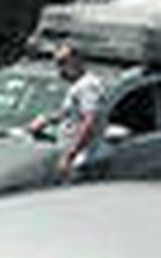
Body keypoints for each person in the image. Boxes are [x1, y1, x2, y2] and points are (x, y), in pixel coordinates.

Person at [27, 42, 107, 177]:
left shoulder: (88, 86)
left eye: (62, 62)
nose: (59, 68)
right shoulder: (77, 85)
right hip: (68, 152)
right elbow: (69, 112)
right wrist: (46, 119)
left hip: (82, 159)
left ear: (77, 60)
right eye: (57, 62)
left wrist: (70, 156)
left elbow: (89, 121)